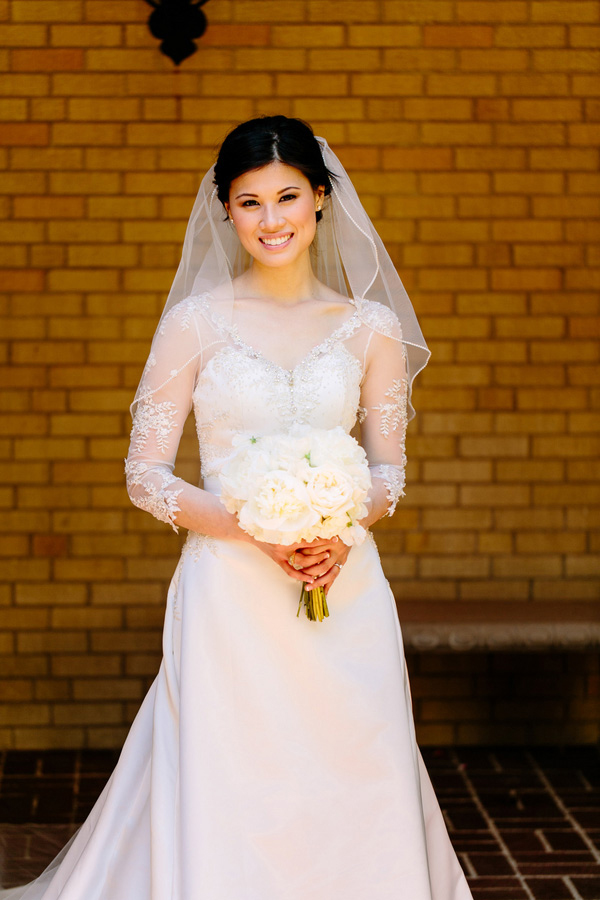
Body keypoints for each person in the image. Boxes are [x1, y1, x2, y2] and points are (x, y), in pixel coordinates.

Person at [1, 116, 473, 900]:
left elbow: (390, 470)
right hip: (229, 592)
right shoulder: (194, 323)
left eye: (288, 196)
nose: (271, 219)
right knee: (240, 768)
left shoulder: (370, 329)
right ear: (225, 210)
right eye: (249, 202)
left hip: (344, 584)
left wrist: (346, 530)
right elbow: (145, 474)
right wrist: (252, 526)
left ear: (321, 199)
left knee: (352, 755)